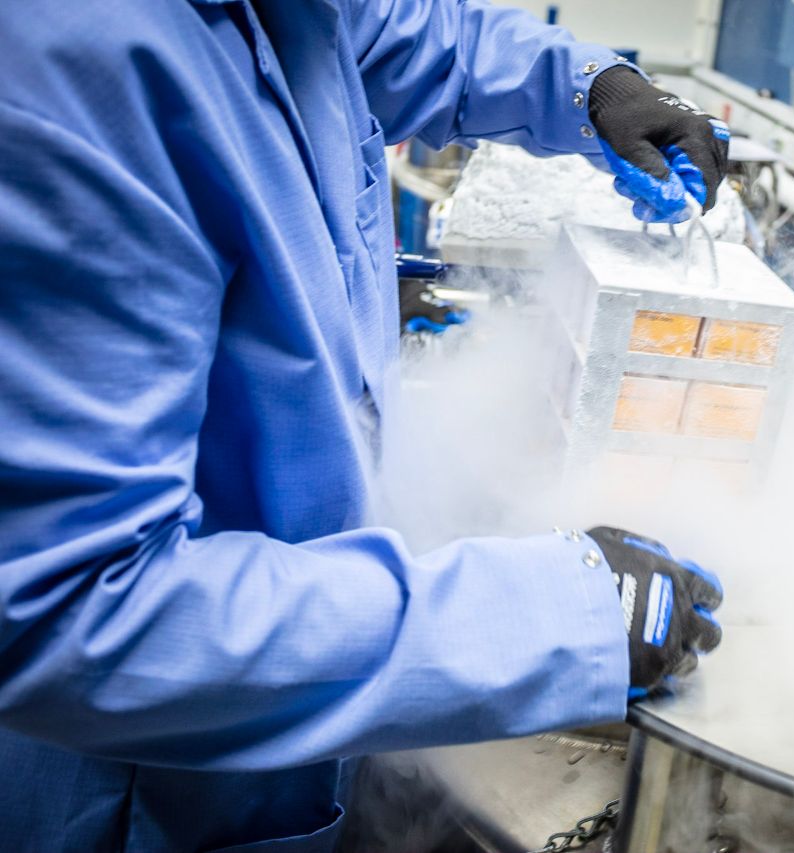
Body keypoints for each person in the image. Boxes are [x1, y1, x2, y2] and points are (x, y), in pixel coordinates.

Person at [0, 2, 728, 850]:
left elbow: (414, 36)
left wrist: (593, 86)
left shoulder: (297, 12)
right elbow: (71, 614)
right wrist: (562, 615)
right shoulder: (74, 65)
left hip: (293, 706)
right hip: (134, 787)